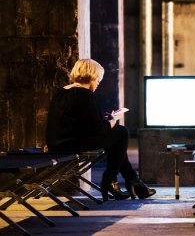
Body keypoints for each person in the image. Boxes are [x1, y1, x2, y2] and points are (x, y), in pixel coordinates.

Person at [46, 59, 156, 201]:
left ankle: (131, 180)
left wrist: (103, 120)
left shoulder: (62, 92)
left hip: (57, 144)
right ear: (92, 76)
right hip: (71, 145)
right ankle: (111, 180)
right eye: (98, 79)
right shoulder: (85, 95)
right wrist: (112, 121)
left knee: (117, 140)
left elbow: (79, 123)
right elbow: (98, 130)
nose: (98, 83)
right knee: (121, 132)